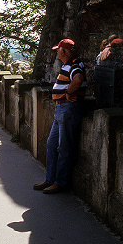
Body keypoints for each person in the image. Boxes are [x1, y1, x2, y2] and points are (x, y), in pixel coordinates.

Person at [34, 38, 86, 194]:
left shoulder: (75, 64)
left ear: (64, 51)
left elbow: (78, 79)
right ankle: (50, 179)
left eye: (58, 50)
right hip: (61, 109)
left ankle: (60, 183)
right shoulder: (68, 64)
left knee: (63, 147)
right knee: (52, 144)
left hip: (67, 109)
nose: (57, 52)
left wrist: (67, 93)